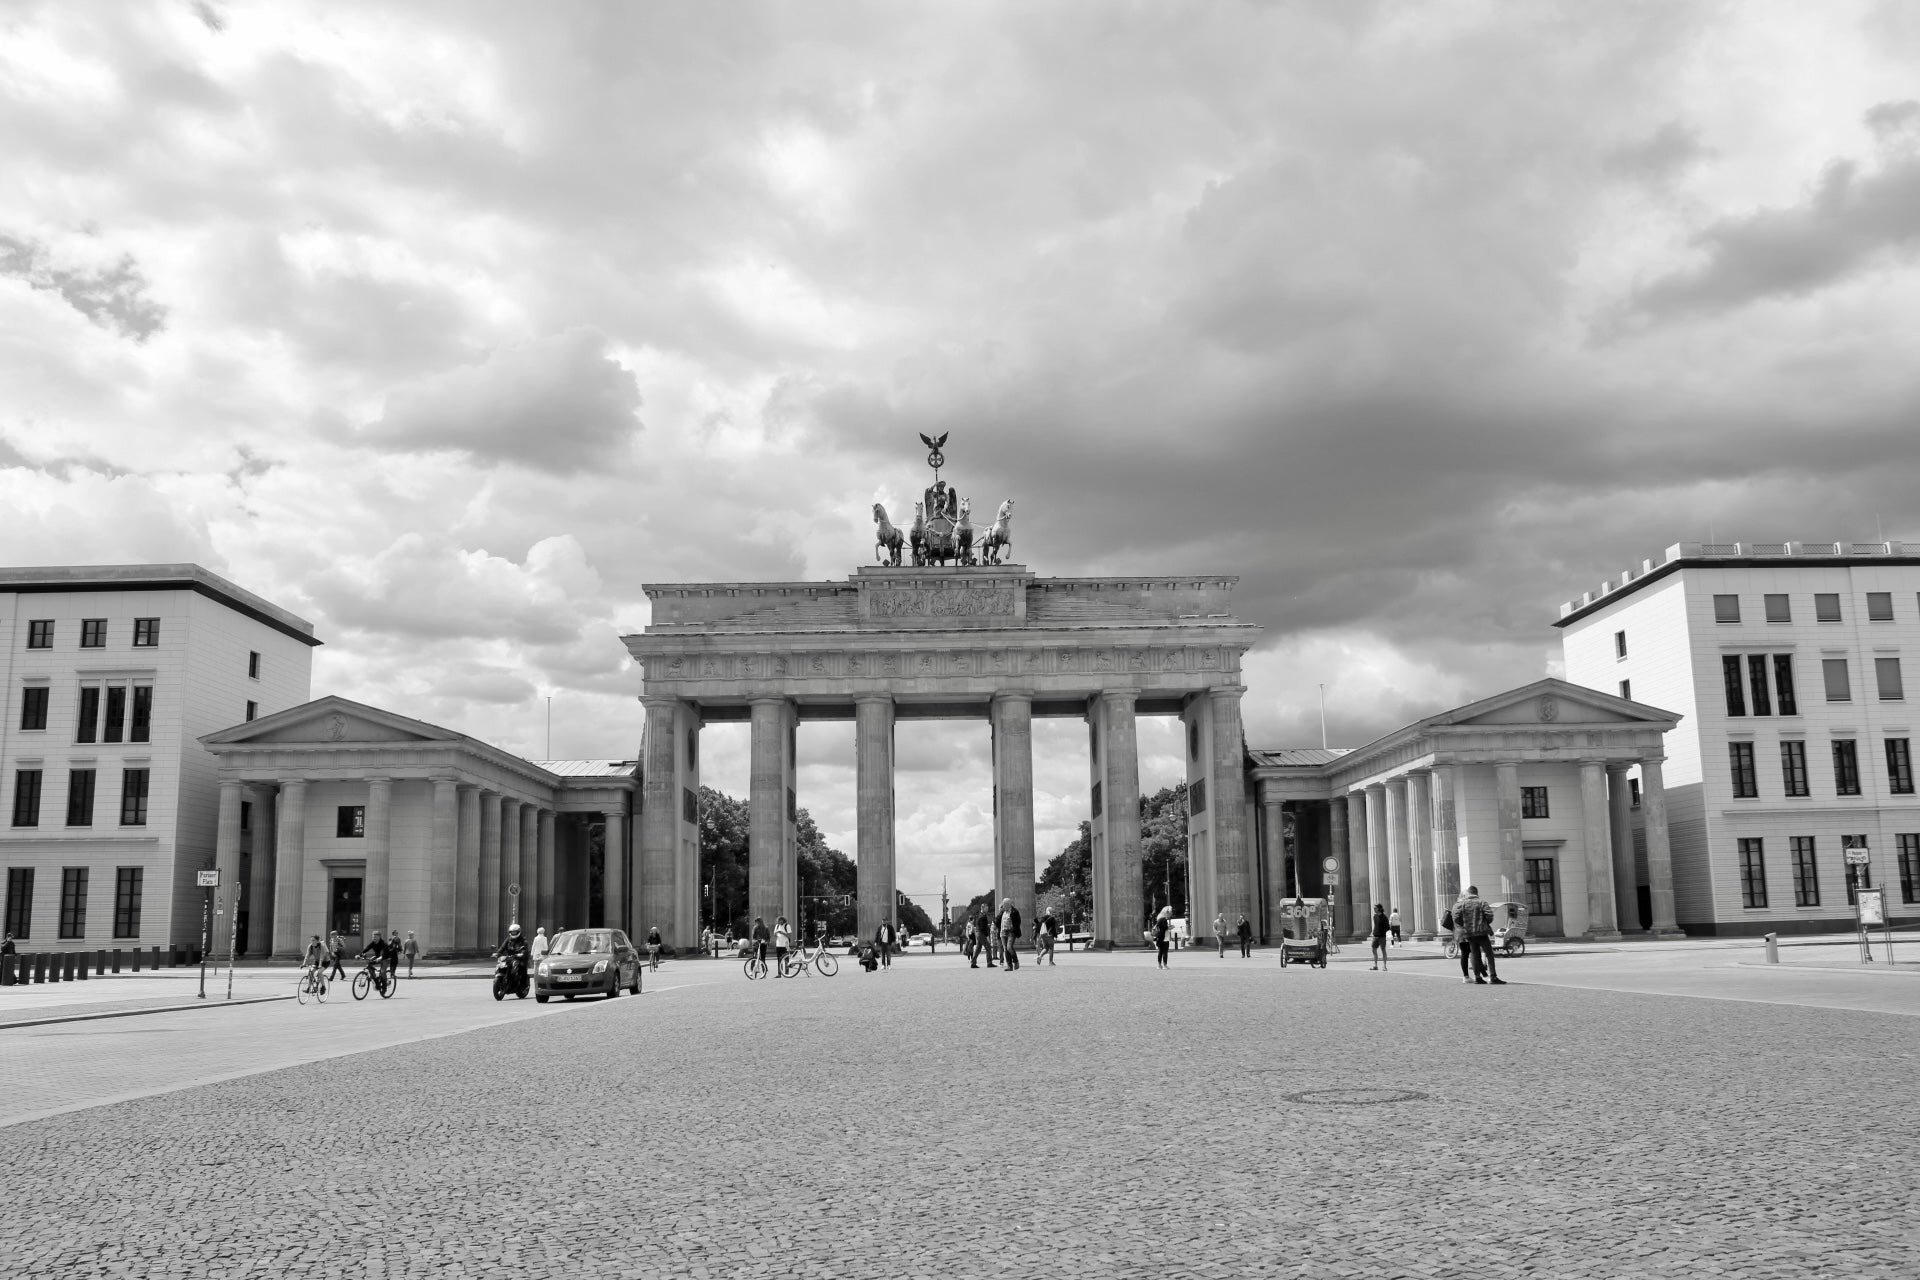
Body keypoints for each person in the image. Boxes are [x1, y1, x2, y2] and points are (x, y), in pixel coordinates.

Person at [1455, 885, 1504, 984]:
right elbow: (1490, 915)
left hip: (1469, 933)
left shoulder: (1462, 904)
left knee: (1474, 954)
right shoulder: (1482, 902)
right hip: (1481, 932)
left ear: (1468, 893)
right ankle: (1493, 976)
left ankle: (1477, 977)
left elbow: (1456, 917)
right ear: (1476, 893)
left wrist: (1464, 924)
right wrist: (1485, 923)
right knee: (1489, 954)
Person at [492, 923, 529, 990]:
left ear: (518, 931)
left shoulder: (523, 940)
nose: (513, 933)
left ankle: (524, 985)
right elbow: (502, 947)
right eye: (512, 932)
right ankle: (503, 980)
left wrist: (522, 953)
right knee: (501, 965)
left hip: (520, 958)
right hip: (509, 957)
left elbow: (525, 948)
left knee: (522, 968)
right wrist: (497, 953)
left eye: (515, 932)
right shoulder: (508, 940)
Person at [1001, 902, 1022, 971]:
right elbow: (1001, 922)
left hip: (1011, 932)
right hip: (1003, 932)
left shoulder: (1014, 912)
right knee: (1005, 949)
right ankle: (1009, 966)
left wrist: (1012, 929)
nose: (1003, 906)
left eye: (1004, 904)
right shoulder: (1003, 912)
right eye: (1003, 905)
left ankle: (1016, 962)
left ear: (1008, 904)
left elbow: (1018, 922)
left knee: (1009, 947)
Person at [1369, 905, 1389, 970]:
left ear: (1379, 909)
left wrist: (1382, 932)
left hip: (1382, 937)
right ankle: (1375, 965)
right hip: (1375, 936)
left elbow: (1388, 927)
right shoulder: (1375, 916)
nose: (1374, 909)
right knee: (1373, 949)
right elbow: (1376, 925)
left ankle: (1384, 966)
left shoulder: (1384, 917)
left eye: (1375, 908)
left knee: (1383, 950)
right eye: (1374, 908)